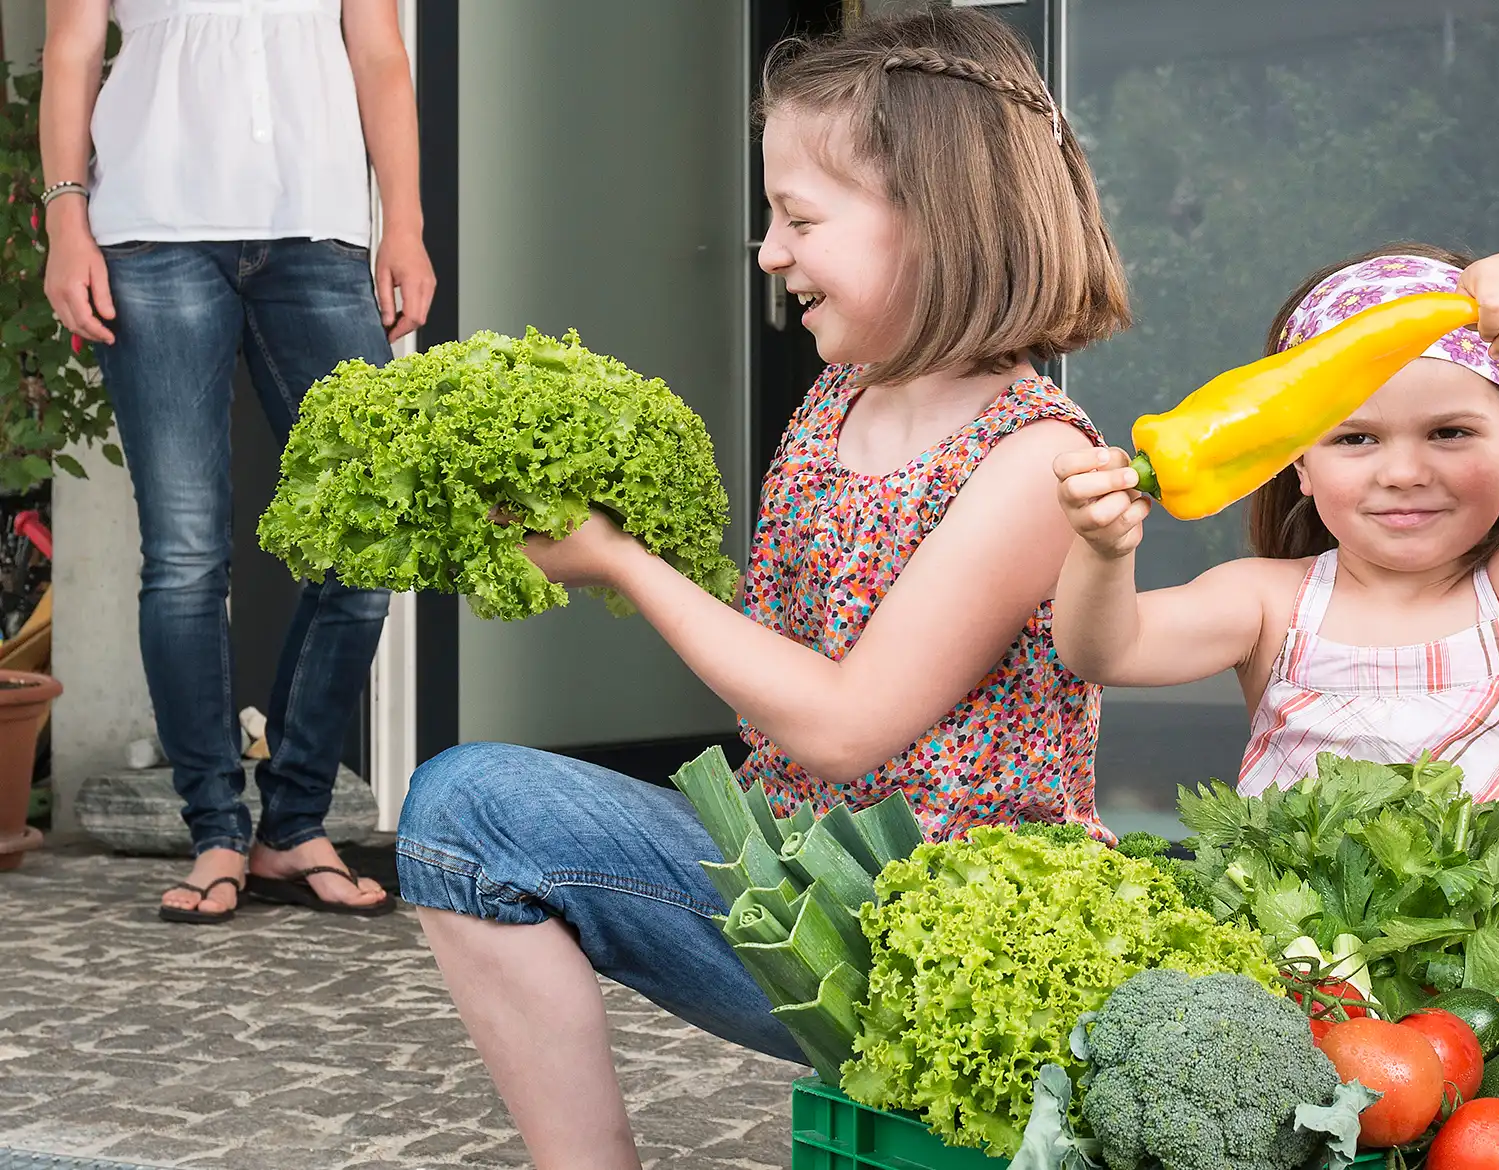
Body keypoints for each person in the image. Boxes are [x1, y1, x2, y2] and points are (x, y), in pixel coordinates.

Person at [393, 9, 1129, 1167]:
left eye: (799, 218)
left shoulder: (1035, 458)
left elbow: (845, 726)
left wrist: (623, 565)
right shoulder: (844, 398)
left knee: (474, 812)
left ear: (940, 222)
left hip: (927, 928)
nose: (769, 251)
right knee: (463, 816)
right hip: (794, 872)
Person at [1054, 244, 1499, 918]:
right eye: (1355, 439)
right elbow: (1104, 651)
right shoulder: (1269, 602)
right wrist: (1101, 550)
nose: (1403, 472)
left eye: (1449, 432)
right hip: (1334, 999)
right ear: (1298, 465)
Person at [41, 0, 435, 923]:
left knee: (366, 534)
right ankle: (215, 830)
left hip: (317, 232)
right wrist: (67, 223)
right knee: (185, 556)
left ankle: (292, 827)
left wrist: (405, 223)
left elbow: (378, 52)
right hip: (151, 234)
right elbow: (72, 46)